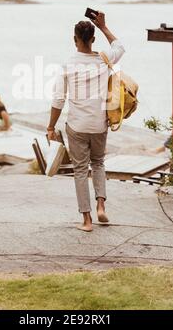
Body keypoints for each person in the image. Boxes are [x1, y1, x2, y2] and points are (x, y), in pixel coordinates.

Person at [47, 12, 125, 232]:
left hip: (77, 126)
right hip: (99, 124)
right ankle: (101, 205)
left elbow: (58, 100)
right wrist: (103, 26)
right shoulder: (103, 59)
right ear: (93, 39)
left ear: (74, 39)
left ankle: (87, 220)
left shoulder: (68, 65)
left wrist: (51, 126)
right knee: (98, 163)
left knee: (80, 170)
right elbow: (120, 46)